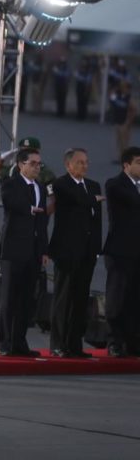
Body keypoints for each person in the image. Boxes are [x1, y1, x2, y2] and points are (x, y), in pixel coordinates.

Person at [48, 148, 103, 358]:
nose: (85, 166)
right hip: (66, 251)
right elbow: (79, 200)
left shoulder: (93, 186)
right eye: (80, 162)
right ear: (68, 165)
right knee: (63, 298)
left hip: (87, 252)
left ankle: (75, 344)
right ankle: (58, 344)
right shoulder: (61, 184)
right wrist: (94, 199)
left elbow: (96, 221)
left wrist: (96, 249)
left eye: (86, 162)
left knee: (80, 299)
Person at [0, 148, 49, 357]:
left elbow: (43, 221)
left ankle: (19, 342)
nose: (37, 167)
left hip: (33, 251)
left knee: (26, 299)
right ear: (21, 165)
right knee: (9, 298)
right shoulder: (11, 183)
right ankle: (4, 342)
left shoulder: (41, 188)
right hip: (13, 249)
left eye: (39, 164)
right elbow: (10, 202)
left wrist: (44, 249)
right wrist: (29, 209)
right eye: (33, 163)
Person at [102, 146, 140, 357]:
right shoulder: (115, 184)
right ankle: (114, 341)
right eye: (139, 163)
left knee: (135, 298)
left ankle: (133, 341)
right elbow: (134, 202)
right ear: (126, 165)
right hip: (120, 252)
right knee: (117, 298)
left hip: (138, 252)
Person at [109, 80, 136, 164]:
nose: (122, 88)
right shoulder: (118, 96)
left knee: (124, 142)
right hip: (118, 120)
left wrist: (128, 122)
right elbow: (111, 97)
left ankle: (126, 159)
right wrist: (114, 90)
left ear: (127, 88)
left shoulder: (129, 98)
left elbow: (134, 110)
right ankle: (120, 157)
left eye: (124, 87)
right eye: (121, 86)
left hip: (124, 122)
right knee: (119, 141)